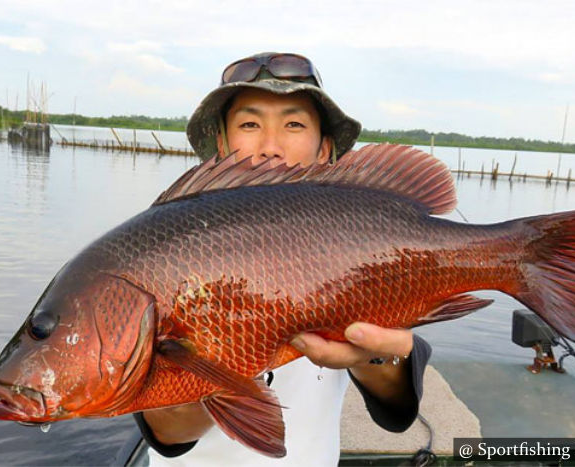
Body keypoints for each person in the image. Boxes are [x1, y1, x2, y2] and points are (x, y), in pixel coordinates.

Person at [134, 52, 432, 466]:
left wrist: (376, 355)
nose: (271, 147)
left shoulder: (367, 253)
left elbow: (397, 410)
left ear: (325, 149)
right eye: (249, 124)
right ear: (221, 145)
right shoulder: (167, 247)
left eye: (294, 124)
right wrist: (222, 365)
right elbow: (169, 433)